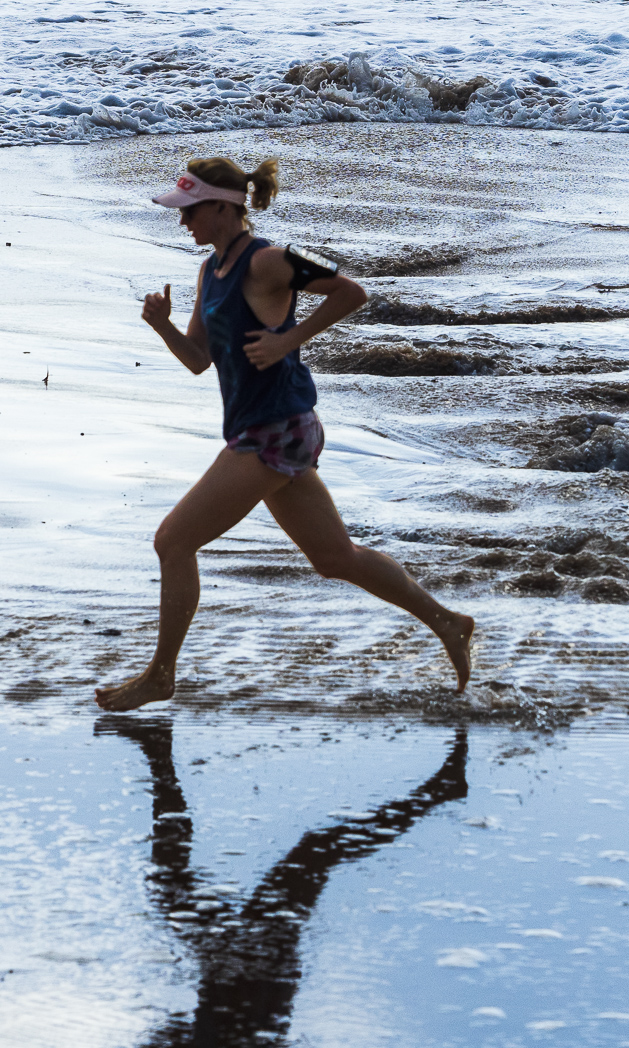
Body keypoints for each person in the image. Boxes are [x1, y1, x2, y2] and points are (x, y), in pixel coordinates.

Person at [95, 156, 475, 712]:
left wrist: (288, 339)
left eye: (191, 211)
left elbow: (351, 291)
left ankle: (160, 675)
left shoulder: (268, 260)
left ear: (224, 207)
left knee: (173, 541)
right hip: (264, 428)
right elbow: (199, 360)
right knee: (336, 558)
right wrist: (162, 327)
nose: (183, 223)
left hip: (276, 429)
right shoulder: (210, 271)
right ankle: (449, 623)